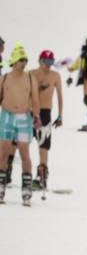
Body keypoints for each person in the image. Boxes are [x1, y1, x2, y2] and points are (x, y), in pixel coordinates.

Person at [0, 45, 37, 206]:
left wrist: (37, 116)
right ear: (14, 61)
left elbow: (35, 99)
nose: (23, 63)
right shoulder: (4, 78)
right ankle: (1, 186)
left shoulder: (30, 78)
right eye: (21, 60)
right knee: (4, 151)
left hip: (24, 118)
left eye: (25, 60)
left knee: (24, 152)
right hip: (7, 116)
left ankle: (26, 189)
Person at [30, 50, 62, 190]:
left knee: (44, 146)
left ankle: (42, 177)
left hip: (45, 113)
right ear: (40, 61)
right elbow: (25, 91)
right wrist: (38, 87)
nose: (48, 65)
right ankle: (6, 173)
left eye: (51, 62)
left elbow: (60, 96)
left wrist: (60, 115)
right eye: (46, 62)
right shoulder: (31, 74)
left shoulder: (55, 76)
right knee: (19, 142)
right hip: (29, 112)